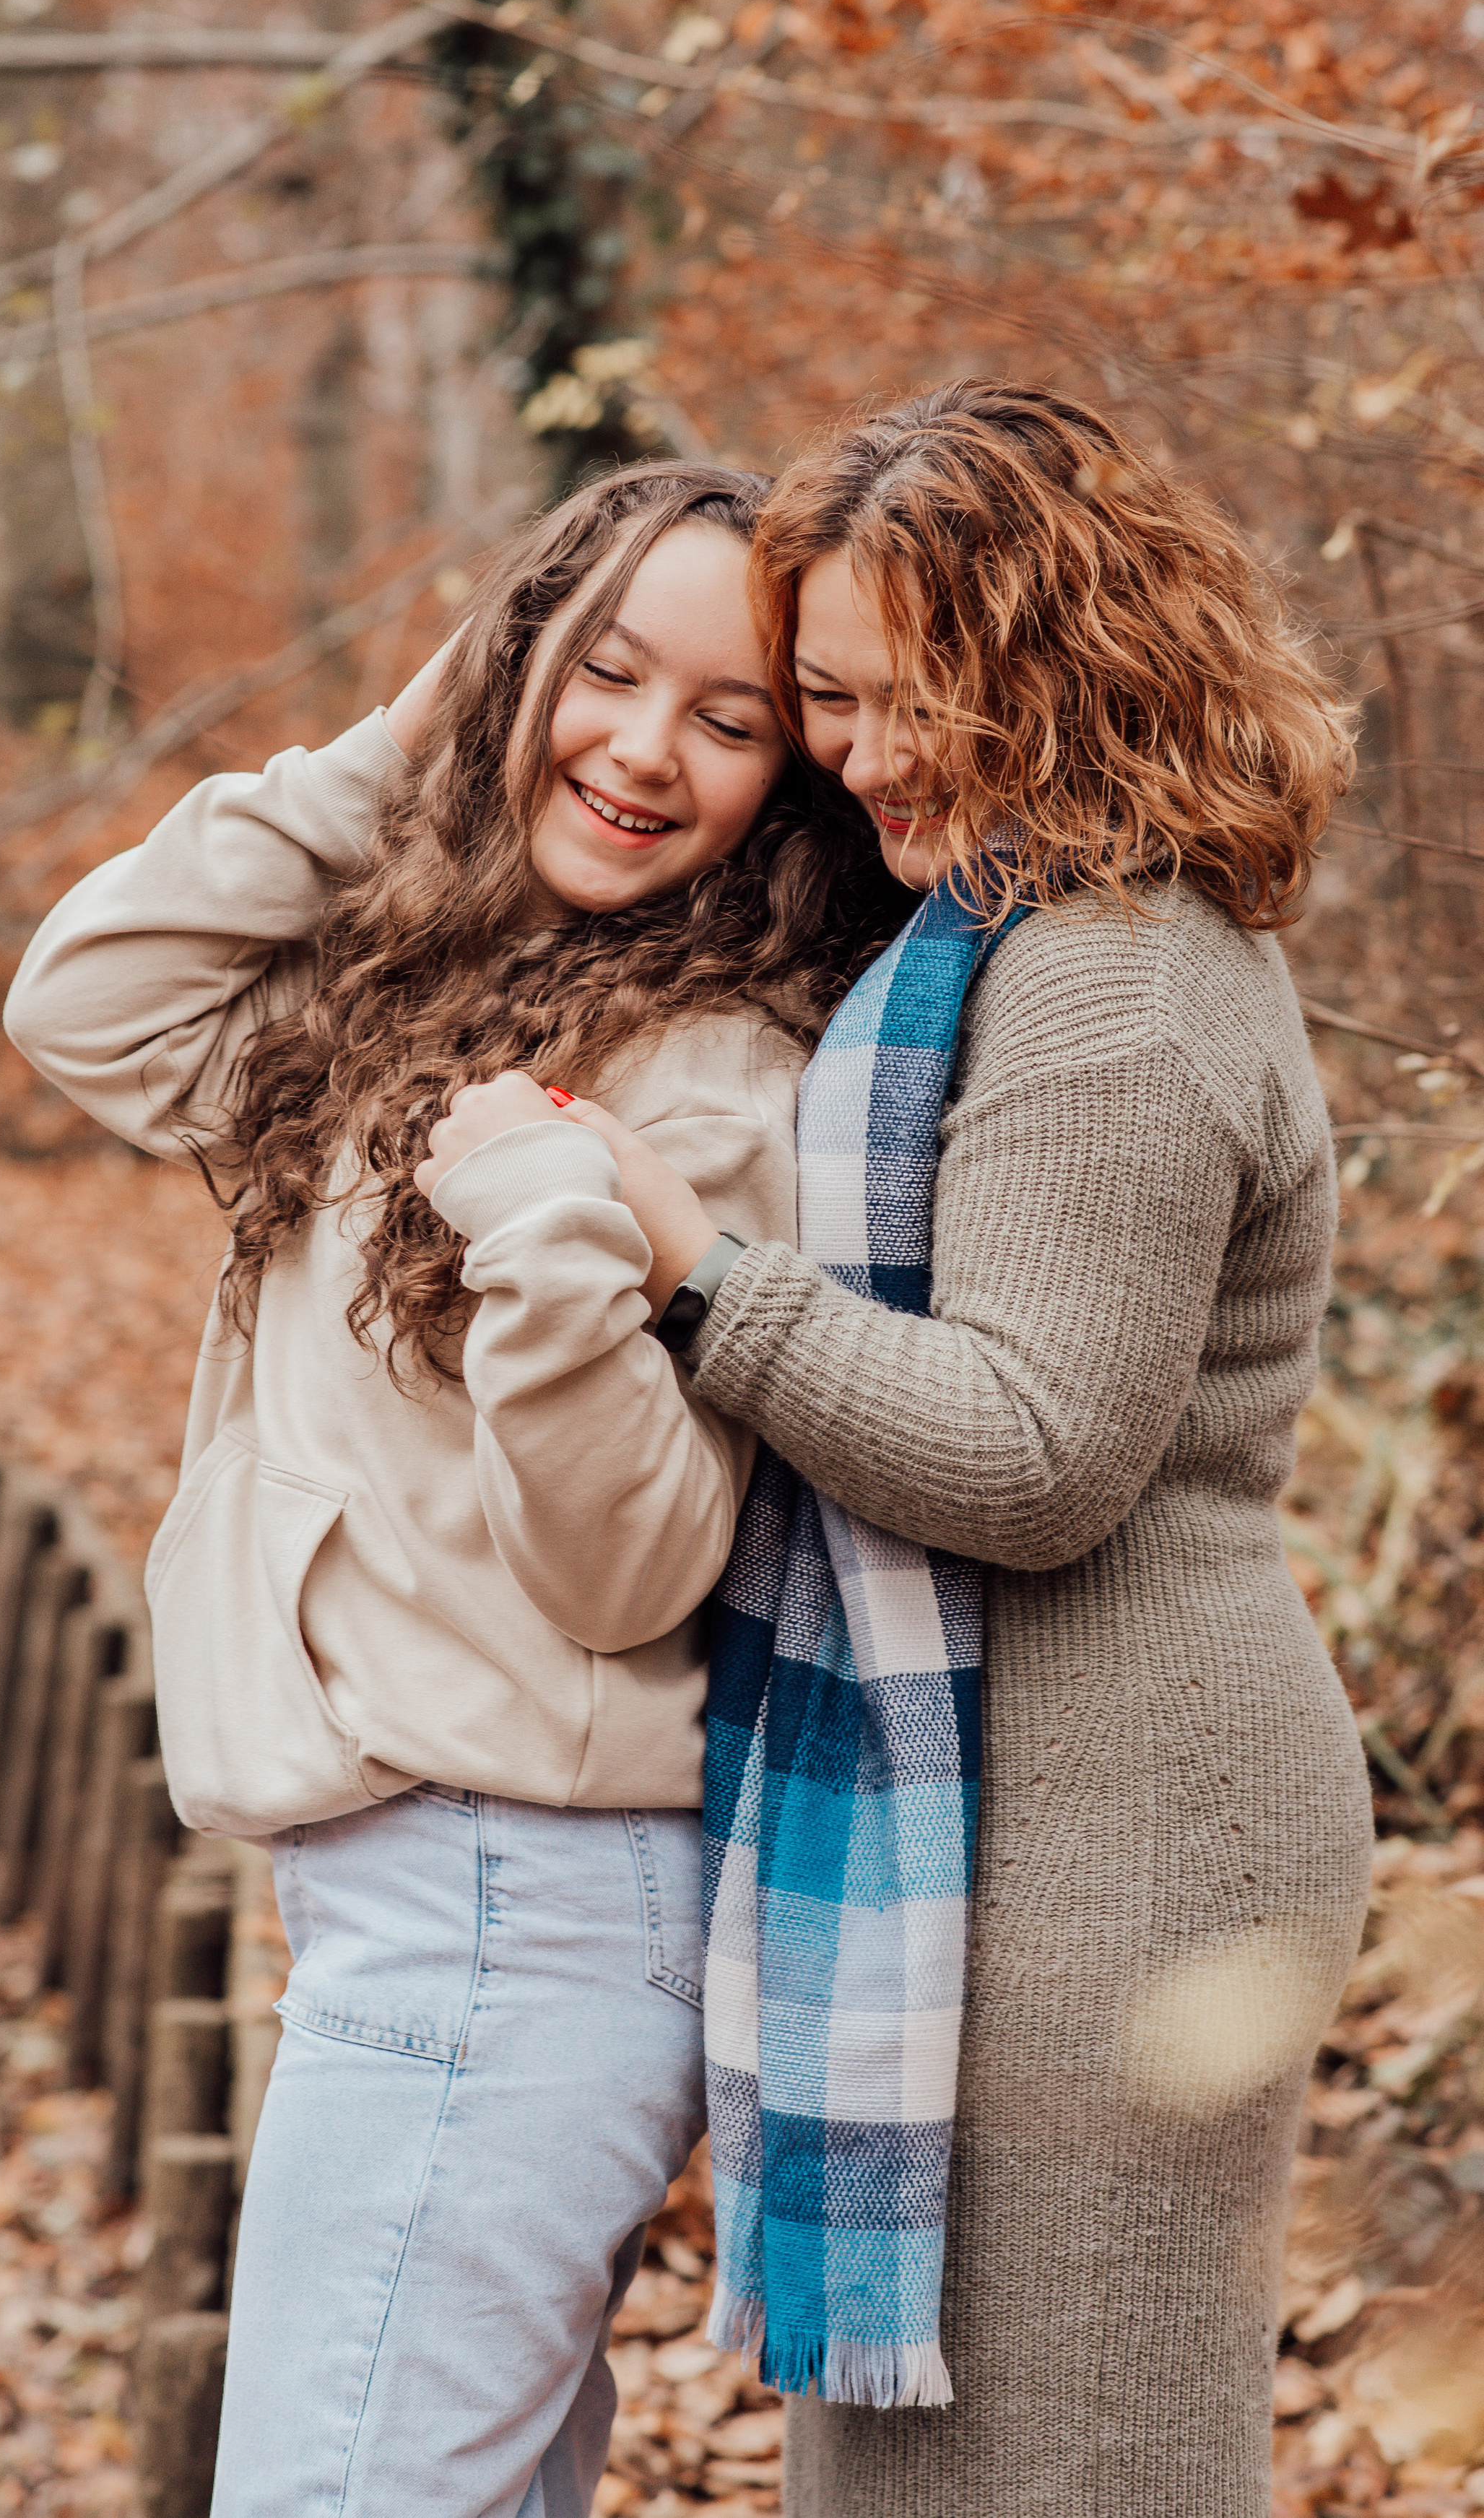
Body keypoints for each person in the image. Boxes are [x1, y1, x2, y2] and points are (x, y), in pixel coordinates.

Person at [422, 385, 1375, 2518]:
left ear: (1072, 667)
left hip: (1125, 1840)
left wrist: (694, 1265)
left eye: (914, 697)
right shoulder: (1001, 942)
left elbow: (1035, 1456)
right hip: (1029, 1807)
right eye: (833, 702)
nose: (862, 757)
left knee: (1081, 2469)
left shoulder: (1112, 985)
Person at [2, 461, 898, 2518]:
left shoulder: (715, 1074)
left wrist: (559, 1243)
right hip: (428, 1896)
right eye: (603, 671)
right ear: (513, 660)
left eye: (730, 719)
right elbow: (85, 1003)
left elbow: (634, 1570)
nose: (644, 751)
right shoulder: (417, 982)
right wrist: (390, 752)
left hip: (520, 1909)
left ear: (785, 783)